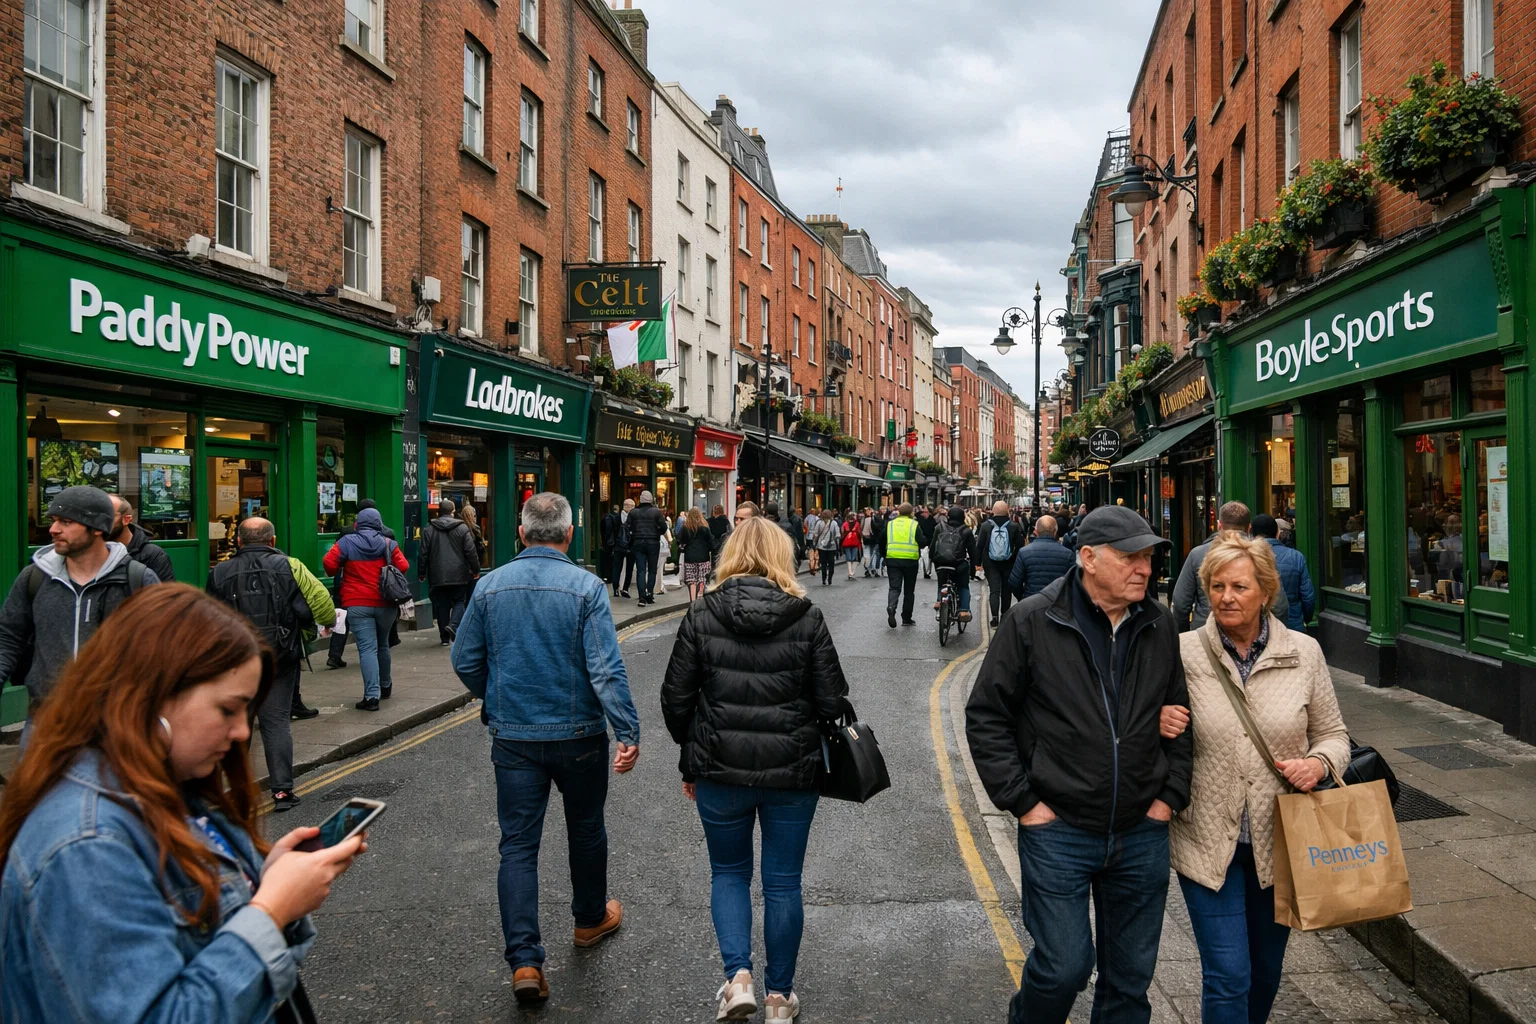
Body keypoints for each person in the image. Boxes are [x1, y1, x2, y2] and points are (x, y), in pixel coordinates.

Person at [0, 584, 365, 1023]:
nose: (241, 734)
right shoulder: (88, 846)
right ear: (151, 697)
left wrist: (264, 885)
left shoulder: (169, 788)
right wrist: (270, 912)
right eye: (228, 710)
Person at [966, 505, 1193, 1024]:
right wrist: (1024, 802)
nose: (1144, 568)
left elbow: (1180, 712)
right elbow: (986, 715)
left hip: (1141, 829)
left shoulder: (1158, 622)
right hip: (1059, 828)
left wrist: (1168, 797)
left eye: (1148, 557)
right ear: (1088, 558)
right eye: (1130, 557)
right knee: (1063, 967)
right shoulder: (1033, 619)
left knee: (1130, 984)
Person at [450, 493, 639, 1005]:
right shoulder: (586, 588)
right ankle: (589, 920)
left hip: (514, 738)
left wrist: (495, 697)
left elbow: (465, 658)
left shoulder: (489, 586)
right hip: (579, 736)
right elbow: (604, 667)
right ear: (569, 534)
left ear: (521, 531)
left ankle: (526, 962)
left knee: (517, 846)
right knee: (586, 828)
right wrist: (627, 730)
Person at [660, 517, 849, 1023]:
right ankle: (779, 999)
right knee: (783, 883)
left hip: (719, 771)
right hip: (793, 773)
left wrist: (693, 751)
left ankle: (738, 978)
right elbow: (833, 702)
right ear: (781, 557)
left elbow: (675, 700)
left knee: (728, 873)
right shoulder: (807, 617)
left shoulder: (701, 613)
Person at [1158, 533, 1349, 1024]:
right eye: (1216, 586)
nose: (1226, 597)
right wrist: (1157, 722)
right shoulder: (1180, 652)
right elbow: (1137, 728)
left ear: (1266, 591)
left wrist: (1319, 764)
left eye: (1239, 587)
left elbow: (1333, 735)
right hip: (1206, 840)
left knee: (1265, 972)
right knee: (1228, 976)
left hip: (1280, 840)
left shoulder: (1304, 653)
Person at [0, 486, 159, 737]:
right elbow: (8, 636)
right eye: (53, 521)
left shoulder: (137, 579)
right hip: (45, 720)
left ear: (97, 528)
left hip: (115, 726)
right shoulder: (35, 577)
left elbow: (160, 650)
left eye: (66, 522)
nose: (53, 530)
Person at [207, 518, 335, 812]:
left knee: (240, 725)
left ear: (239, 541)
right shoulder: (291, 566)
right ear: (273, 541)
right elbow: (323, 604)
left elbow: (208, 619)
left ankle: (238, 794)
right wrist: (325, 625)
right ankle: (281, 792)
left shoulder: (220, 572)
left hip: (237, 662)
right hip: (280, 656)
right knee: (276, 722)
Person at [323, 506, 410, 711]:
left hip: (357, 603)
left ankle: (372, 697)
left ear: (357, 524)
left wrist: (344, 565)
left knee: (367, 649)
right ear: (379, 524)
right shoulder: (389, 543)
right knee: (382, 645)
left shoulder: (346, 542)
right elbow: (404, 566)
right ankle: (385, 686)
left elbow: (328, 565)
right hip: (386, 603)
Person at [1173, 502, 1289, 631]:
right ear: (1249, 528)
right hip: (1251, 633)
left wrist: (1184, 635)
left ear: (1219, 525)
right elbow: (1279, 606)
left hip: (1204, 632)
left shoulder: (1197, 554)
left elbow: (1180, 603)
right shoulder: (1261, 555)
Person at [323, 497, 396, 671]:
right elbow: (399, 564)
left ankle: (335, 654)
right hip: (381, 590)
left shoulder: (346, 533)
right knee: (381, 642)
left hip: (350, 587)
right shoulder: (387, 534)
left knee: (341, 618)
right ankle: (383, 676)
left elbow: (332, 561)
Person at [418, 498, 481, 646]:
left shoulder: (429, 529)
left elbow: (423, 553)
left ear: (439, 511)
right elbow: (470, 552)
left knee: (442, 605)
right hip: (459, 574)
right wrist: (476, 569)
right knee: (460, 601)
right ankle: (453, 625)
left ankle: (444, 638)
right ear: (453, 512)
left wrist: (421, 573)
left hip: (437, 574)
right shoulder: (462, 528)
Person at [1251, 513, 1315, 630]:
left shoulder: (1246, 558)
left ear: (1252, 535)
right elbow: (1308, 596)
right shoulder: (1296, 557)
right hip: (1292, 625)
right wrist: (1304, 619)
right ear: (1277, 534)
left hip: (1257, 628)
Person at [976, 500, 1028, 627]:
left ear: (993, 511)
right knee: (1006, 590)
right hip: (1009, 563)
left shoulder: (985, 526)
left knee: (994, 590)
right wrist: (1015, 559)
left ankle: (994, 618)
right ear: (1007, 511)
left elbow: (979, 546)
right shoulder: (1014, 526)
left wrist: (977, 563)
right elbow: (1020, 546)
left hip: (990, 562)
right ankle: (1005, 616)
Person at [1007, 514, 1075, 601]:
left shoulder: (1024, 552)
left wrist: (1023, 598)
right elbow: (1073, 583)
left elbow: (1014, 583)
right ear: (1055, 532)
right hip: (1057, 604)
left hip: (1031, 602)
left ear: (1036, 531)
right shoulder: (1068, 554)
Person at [108, 495, 176, 582]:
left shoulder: (153, 555)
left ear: (126, 519)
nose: (100, 522)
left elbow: (166, 593)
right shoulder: (94, 551)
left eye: (108, 516)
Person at [878, 503, 924, 628]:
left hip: (892, 559)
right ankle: (906, 618)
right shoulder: (914, 524)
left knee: (894, 588)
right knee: (909, 591)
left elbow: (881, 540)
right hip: (910, 561)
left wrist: (884, 554)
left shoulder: (890, 524)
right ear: (911, 513)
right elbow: (922, 541)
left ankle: (891, 606)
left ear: (898, 512)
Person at [929, 505, 976, 622]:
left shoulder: (939, 528)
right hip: (959, 564)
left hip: (941, 564)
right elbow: (972, 552)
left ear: (948, 516)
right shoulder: (966, 531)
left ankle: (939, 601)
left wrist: (933, 560)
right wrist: (974, 568)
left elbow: (933, 546)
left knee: (942, 583)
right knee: (963, 586)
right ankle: (964, 610)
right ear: (963, 517)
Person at [625, 490, 668, 607]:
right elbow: (664, 527)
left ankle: (641, 597)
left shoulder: (633, 512)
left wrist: (633, 536)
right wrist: (656, 533)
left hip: (638, 542)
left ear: (641, 499)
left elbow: (627, 527)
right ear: (651, 500)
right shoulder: (657, 512)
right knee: (652, 570)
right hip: (653, 542)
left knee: (641, 570)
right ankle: (650, 594)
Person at [675, 507, 716, 601]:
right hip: (703, 557)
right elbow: (712, 543)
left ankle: (692, 601)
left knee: (692, 581)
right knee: (702, 580)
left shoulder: (686, 528)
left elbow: (680, 541)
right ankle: (700, 599)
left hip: (690, 558)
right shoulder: (705, 528)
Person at [612, 499, 636, 598]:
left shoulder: (616, 517)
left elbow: (612, 533)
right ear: (630, 506)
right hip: (630, 546)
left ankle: (616, 589)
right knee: (628, 569)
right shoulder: (634, 519)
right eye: (633, 507)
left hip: (618, 546)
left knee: (617, 568)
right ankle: (625, 589)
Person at [813, 508, 841, 586]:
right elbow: (838, 535)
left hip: (821, 546)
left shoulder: (819, 523)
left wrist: (814, 543)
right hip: (832, 546)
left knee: (823, 563)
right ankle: (830, 579)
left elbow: (815, 534)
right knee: (831, 563)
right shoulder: (834, 523)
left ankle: (823, 579)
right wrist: (836, 543)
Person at [600, 504, 622, 587]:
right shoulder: (615, 517)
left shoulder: (606, 517)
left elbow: (604, 530)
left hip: (608, 542)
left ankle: (609, 576)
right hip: (612, 542)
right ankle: (611, 577)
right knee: (613, 561)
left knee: (608, 560)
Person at [840, 511, 864, 580]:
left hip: (846, 542)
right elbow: (859, 533)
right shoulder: (857, 524)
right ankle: (852, 573)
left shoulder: (845, 524)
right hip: (855, 542)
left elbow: (842, 533)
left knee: (848, 558)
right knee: (854, 558)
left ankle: (850, 572)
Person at [916, 506, 938, 579]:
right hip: (921, 541)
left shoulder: (932, 521)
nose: (924, 514)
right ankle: (925, 571)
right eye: (923, 512)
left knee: (928, 559)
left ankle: (927, 572)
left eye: (926, 512)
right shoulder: (920, 520)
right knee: (922, 558)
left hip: (929, 541)